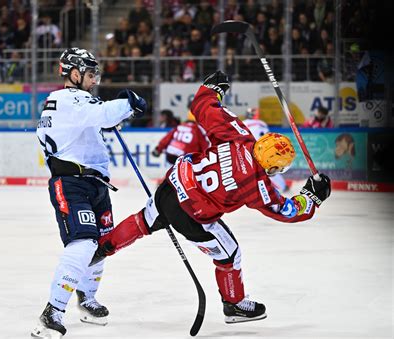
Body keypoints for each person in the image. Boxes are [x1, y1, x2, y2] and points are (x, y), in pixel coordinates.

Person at [94, 71, 331, 325]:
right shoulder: (257, 185)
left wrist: (213, 88)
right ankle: (234, 304)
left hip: (172, 186)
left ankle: (103, 247)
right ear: (273, 168)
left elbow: (202, 106)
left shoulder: (239, 135)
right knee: (230, 254)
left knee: (144, 220)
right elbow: (286, 210)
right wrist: (312, 197)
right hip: (192, 215)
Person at [32, 47, 147, 338]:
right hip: (72, 184)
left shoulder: (74, 102)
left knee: (101, 244)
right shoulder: (66, 99)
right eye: (90, 73)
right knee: (83, 244)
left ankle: (87, 299)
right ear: (74, 73)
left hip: (94, 184)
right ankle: (53, 312)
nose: (94, 79)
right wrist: (127, 103)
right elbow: (105, 113)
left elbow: (92, 123)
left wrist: (106, 121)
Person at [244, 107, 289, 192]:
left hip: (253, 150)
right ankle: (283, 186)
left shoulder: (244, 123)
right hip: (267, 149)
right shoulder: (262, 123)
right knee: (271, 170)